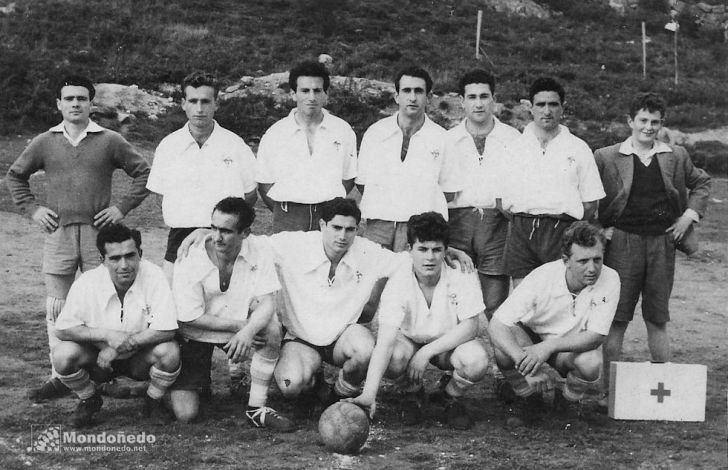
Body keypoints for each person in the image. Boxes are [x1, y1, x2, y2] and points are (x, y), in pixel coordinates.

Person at [177, 198, 474, 418]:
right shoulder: (292, 245)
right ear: (321, 225)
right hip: (301, 339)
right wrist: (205, 231)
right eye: (335, 228)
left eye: (350, 229)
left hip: (342, 338)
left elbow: (412, 257)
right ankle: (314, 384)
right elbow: (247, 239)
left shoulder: (368, 252)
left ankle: (337, 394)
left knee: (364, 349)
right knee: (291, 385)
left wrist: (450, 250)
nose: (342, 236)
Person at [5, 75, 151, 402]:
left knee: (101, 301)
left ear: (91, 103)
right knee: (58, 305)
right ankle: (60, 374)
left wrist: (120, 208)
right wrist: (32, 209)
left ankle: (104, 372)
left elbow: (143, 172)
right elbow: (16, 175)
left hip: (99, 235)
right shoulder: (45, 141)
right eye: (68, 98)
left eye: (81, 99)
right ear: (58, 103)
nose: (75, 104)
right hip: (59, 234)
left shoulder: (109, 140)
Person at [594, 92, 710, 397]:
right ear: (630, 121)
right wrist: (601, 230)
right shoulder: (606, 156)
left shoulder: (675, 155)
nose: (648, 127)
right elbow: (588, 197)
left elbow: (701, 183)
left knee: (657, 317)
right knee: (617, 318)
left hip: (663, 242)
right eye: (643, 120)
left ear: (662, 124)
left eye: (655, 122)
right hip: (622, 245)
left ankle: (663, 390)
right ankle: (610, 392)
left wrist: (688, 216)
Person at [349, 212, 489, 430]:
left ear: (446, 250)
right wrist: (368, 395)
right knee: (393, 357)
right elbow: (385, 341)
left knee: (476, 360)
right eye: (422, 249)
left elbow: (472, 326)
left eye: (437, 250)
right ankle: (412, 393)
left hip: (447, 343)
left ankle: (449, 396)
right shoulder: (399, 276)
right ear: (409, 250)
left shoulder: (460, 270)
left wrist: (426, 352)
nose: (430, 258)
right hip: (409, 340)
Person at [169, 197, 292, 430]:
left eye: (225, 231)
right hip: (195, 334)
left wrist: (249, 331)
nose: (216, 237)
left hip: (233, 331)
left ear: (245, 233)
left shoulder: (259, 249)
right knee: (186, 414)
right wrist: (242, 328)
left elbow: (268, 302)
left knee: (271, 329)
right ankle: (178, 386)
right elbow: (190, 317)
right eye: (213, 228)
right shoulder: (191, 253)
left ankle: (257, 407)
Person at [51, 224, 180, 427]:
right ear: (102, 260)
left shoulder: (154, 275)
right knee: (62, 355)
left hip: (139, 359)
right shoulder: (87, 282)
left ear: (140, 254)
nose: (124, 265)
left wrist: (122, 345)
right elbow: (63, 328)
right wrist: (107, 335)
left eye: (130, 256)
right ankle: (89, 398)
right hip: (99, 361)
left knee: (169, 352)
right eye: (114, 258)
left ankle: (153, 400)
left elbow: (166, 329)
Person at [489, 222, 620, 407]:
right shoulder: (542, 276)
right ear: (566, 261)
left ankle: (567, 401)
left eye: (597, 259)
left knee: (591, 362)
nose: (592, 268)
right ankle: (526, 396)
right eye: (583, 261)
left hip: (566, 347)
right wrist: (524, 364)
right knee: (504, 351)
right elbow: (497, 324)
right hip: (531, 338)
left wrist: (549, 347)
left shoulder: (611, 278)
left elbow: (596, 336)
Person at [147, 71, 257, 283]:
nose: (199, 109)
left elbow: (250, 195)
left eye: (206, 101)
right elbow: (162, 193)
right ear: (183, 103)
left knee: (226, 301)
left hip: (225, 237)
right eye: (193, 101)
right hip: (180, 237)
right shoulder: (169, 146)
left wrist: (221, 224)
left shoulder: (235, 145)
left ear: (216, 103)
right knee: (174, 304)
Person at [502, 77, 605, 286]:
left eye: (553, 104)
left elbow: (590, 203)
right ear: (530, 108)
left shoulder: (579, 148)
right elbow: (500, 199)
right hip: (522, 229)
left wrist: (565, 226)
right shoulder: (513, 147)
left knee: (560, 298)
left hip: (562, 230)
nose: (546, 111)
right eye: (540, 104)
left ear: (562, 108)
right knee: (524, 301)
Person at [356, 66, 462, 252]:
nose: (412, 97)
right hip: (379, 225)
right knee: (373, 277)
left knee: (411, 279)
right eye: (406, 91)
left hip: (420, 229)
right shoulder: (376, 133)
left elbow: (448, 192)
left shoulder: (442, 138)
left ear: (428, 98)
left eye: (419, 91)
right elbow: (363, 184)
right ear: (397, 96)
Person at [445, 69, 521, 320]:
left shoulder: (512, 138)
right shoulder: (447, 139)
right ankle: (458, 357)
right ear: (462, 101)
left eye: (484, 96)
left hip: (496, 223)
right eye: (472, 97)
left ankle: (502, 358)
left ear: (494, 100)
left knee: (495, 301)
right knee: (455, 296)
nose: (478, 103)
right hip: (457, 221)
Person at [256, 61, 357, 233]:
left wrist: (327, 201)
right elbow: (265, 183)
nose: (311, 97)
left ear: (326, 94)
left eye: (317, 91)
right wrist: (288, 210)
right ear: (293, 94)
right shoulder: (276, 133)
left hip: (329, 214)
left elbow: (348, 178)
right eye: (305, 91)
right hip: (288, 215)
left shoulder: (343, 130)